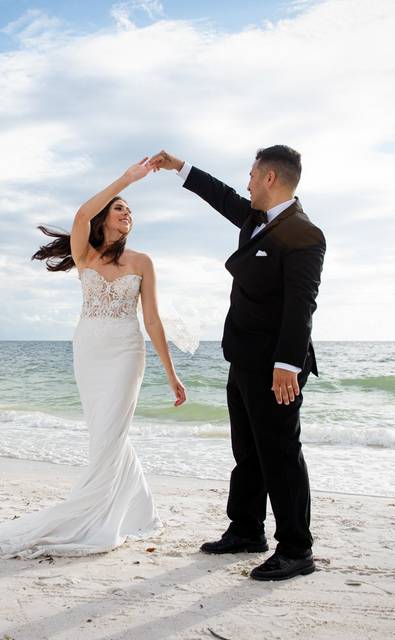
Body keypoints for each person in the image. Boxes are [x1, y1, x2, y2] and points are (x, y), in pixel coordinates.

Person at [0, 157, 187, 565]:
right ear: (105, 217)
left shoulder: (142, 263)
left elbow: (153, 320)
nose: (128, 214)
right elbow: (81, 213)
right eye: (120, 208)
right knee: (103, 435)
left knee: (112, 433)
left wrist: (171, 374)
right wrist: (129, 179)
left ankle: (102, 514)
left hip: (126, 352)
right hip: (89, 351)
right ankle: (137, 512)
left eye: (130, 211)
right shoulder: (85, 255)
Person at [149, 146, 325, 581]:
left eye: (251, 176)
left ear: (269, 178)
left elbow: (302, 304)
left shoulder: (305, 233)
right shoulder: (252, 218)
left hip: (276, 365)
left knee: (280, 453)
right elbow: (221, 195)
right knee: (246, 450)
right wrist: (179, 167)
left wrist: (287, 363)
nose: (246, 184)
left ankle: (297, 549)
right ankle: (247, 529)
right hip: (243, 356)